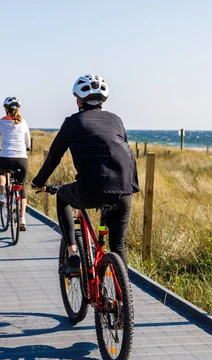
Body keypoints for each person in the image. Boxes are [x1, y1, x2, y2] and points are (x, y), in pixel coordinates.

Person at [32, 74, 139, 275]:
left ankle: (73, 256)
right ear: (102, 102)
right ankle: (123, 303)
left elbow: (54, 156)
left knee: (63, 197)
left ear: (79, 100)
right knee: (118, 245)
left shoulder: (73, 122)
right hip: (125, 188)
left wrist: (39, 181)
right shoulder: (116, 120)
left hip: (91, 189)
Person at [0, 96, 31, 231]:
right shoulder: (24, 123)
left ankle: (1, 194)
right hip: (22, 160)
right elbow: (28, 142)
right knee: (21, 188)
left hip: (5, 158)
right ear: (19, 109)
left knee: (0, 171)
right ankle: (22, 219)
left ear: (6, 109)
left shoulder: (1, 123)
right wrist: (27, 148)